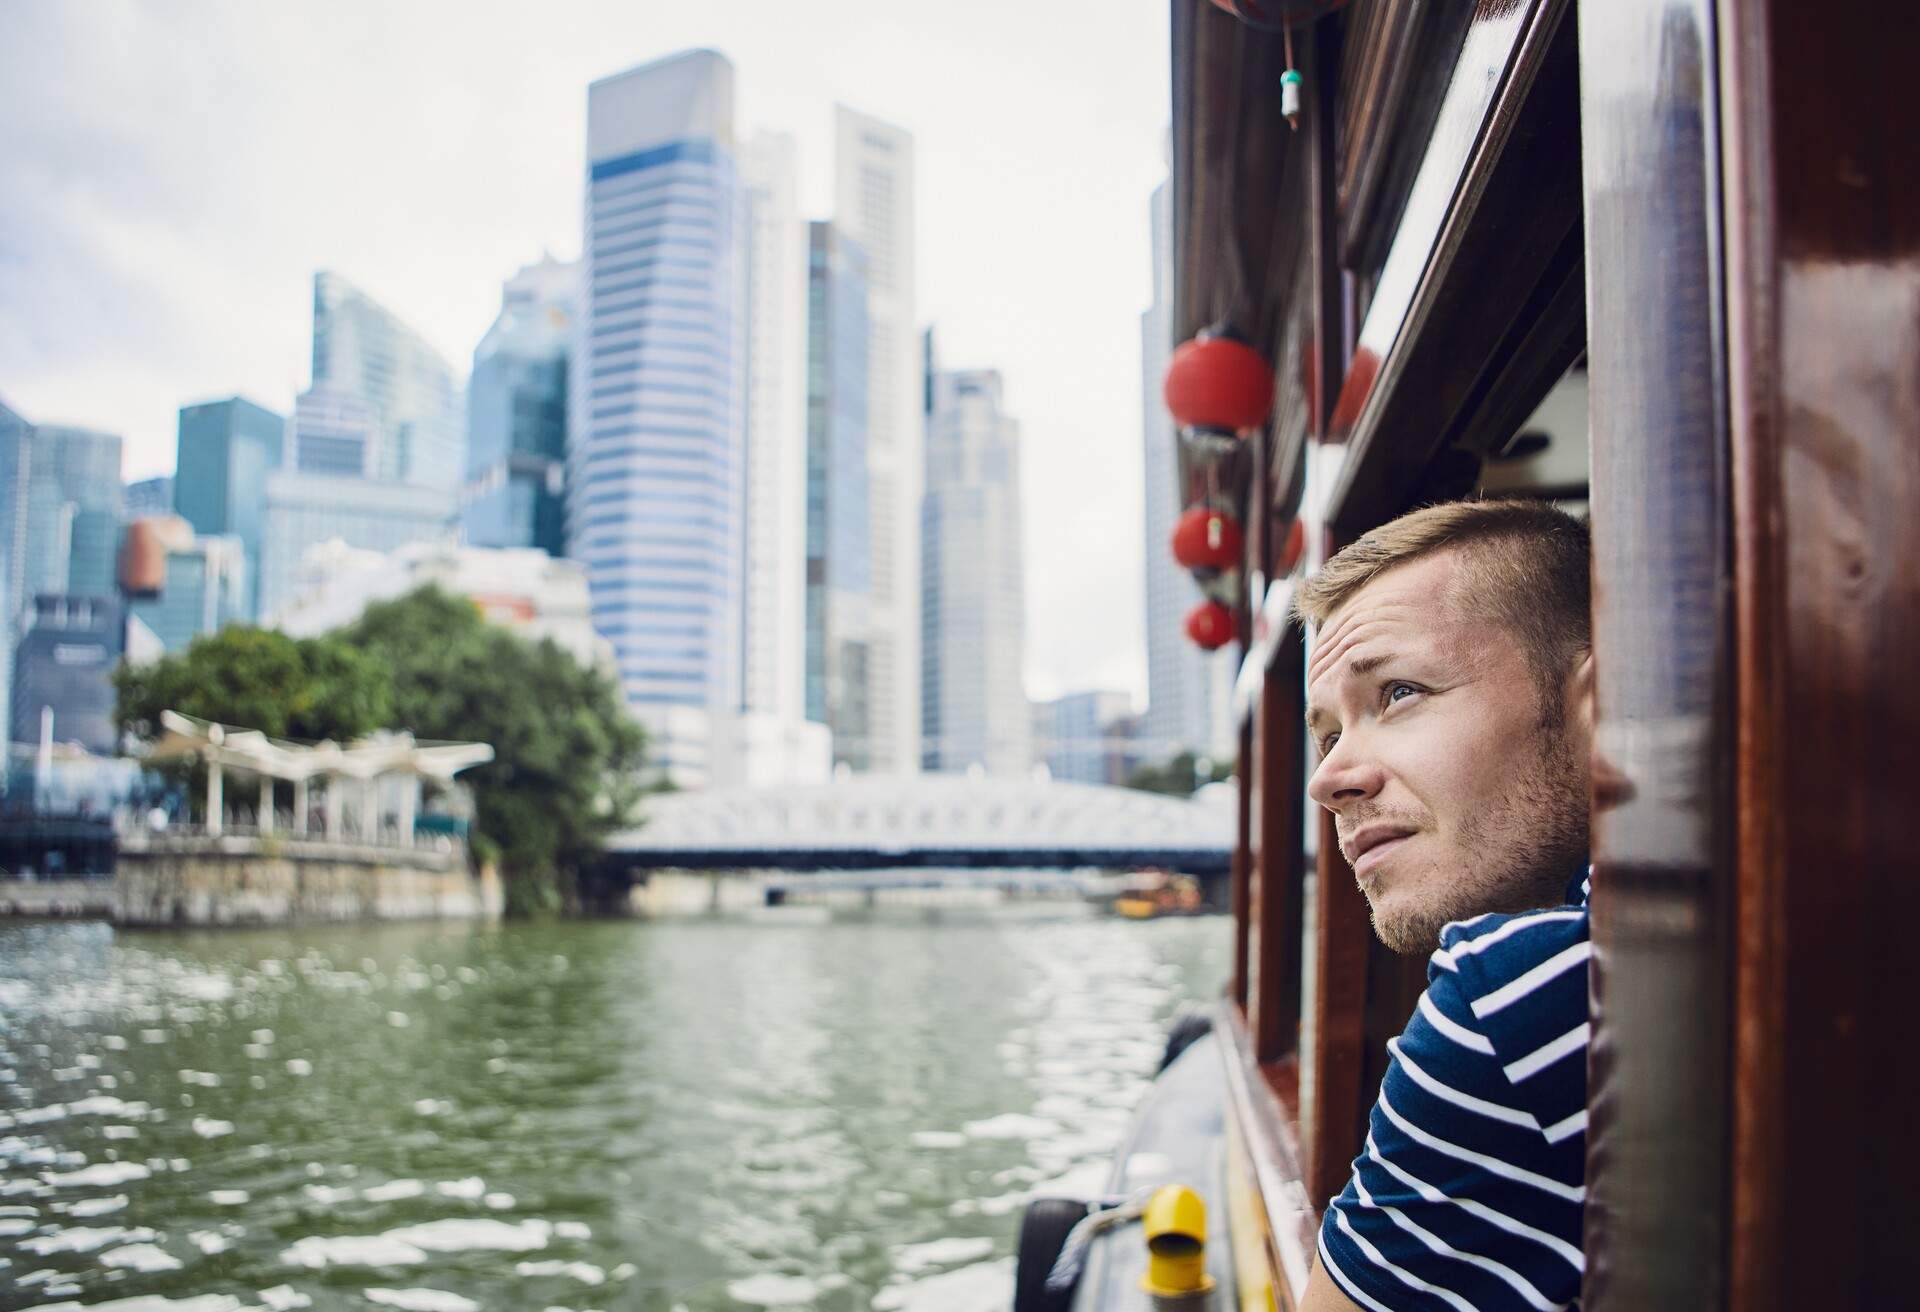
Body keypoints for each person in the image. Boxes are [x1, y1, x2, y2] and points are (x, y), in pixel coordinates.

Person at [1293, 500, 1594, 1312]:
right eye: (1326, 736)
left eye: (1398, 692)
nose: (1328, 780)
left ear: (1599, 709)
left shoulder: (1512, 991)